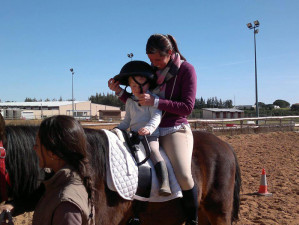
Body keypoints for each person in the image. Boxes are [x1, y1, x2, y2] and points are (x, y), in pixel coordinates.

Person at [108, 34, 198, 225]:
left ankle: (192, 219)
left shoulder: (187, 70)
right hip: (147, 130)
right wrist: (120, 92)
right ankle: (136, 214)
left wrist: (157, 101)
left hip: (174, 128)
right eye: (151, 60)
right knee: (133, 168)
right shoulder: (154, 72)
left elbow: (187, 107)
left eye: (157, 59)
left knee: (183, 173)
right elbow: (140, 103)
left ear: (170, 53)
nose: (154, 64)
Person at [113, 60, 171, 196]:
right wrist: (117, 129)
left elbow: (156, 117)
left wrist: (149, 129)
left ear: (145, 84)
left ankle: (165, 182)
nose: (132, 88)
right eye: (131, 85)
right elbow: (126, 121)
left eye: (135, 85)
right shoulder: (129, 102)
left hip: (149, 136)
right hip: (133, 135)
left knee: (154, 152)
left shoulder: (152, 99)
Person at [32, 115, 95, 225]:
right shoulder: (67, 180)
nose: (34, 148)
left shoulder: (66, 206)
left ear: (53, 154)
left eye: (37, 144)